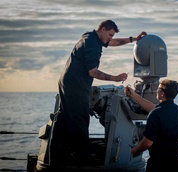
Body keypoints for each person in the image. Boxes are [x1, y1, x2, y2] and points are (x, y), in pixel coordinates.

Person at [49, 19, 147, 166]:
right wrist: (114, 78)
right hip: (76, 86)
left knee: (64, 118)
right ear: (103, 29)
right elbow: (92, 72)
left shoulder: (90, 36)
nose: (110, 38)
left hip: (66, 82)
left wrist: (133, 39)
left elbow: (114, 43)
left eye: (112, 35)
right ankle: (82, 160)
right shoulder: (93, 45)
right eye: (110, 34)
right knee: (80, 121)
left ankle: (56, 158)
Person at [124, 79, 178, 172]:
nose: (157, 90)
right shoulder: (176, 109)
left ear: (162, 94)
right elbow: (153, 107)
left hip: (160, 164)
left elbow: (147, 142)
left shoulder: (155, 114)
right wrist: (133, 95)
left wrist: (136, 150)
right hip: (177, 161)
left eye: (159, 89)